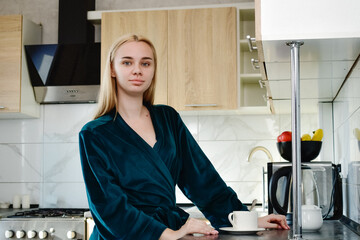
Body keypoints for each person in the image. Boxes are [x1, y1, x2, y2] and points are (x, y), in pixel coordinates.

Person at [79, 34, 289, 240]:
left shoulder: (168, 119)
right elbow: (108, 204)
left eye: (146, 63)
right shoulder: (94, 134)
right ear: (112, 70)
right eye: (127, 62)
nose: (137, 70)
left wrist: (247, 220)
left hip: (171, 230)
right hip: (128, 235)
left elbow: (203, 180)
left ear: (153, 70)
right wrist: (164, 234)